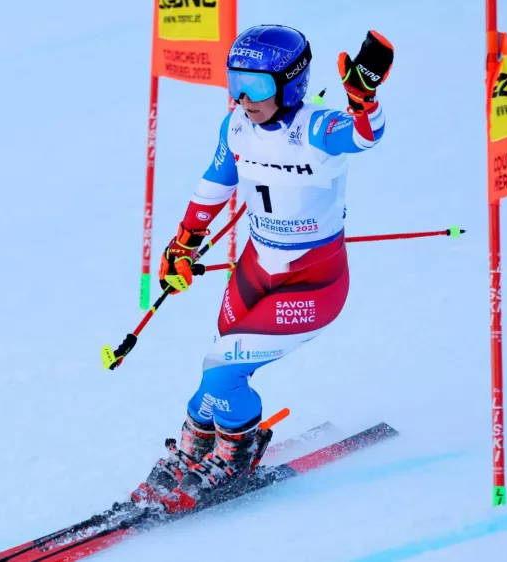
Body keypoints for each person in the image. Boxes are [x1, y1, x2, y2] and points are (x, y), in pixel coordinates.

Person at [131, 24, 394, 512]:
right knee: (220, 366)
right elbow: (214, 183)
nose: (243, 98)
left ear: (291, 84)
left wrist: (364, 101)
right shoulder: (235, 126)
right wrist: (184, 242)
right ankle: (200, 449)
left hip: (313, 285)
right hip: (256, 269)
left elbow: (365, 137)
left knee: (221, 370)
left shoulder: (314, 128)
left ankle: (238, 454)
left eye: (256, 87)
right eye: (235, 83)